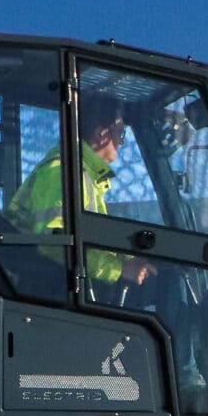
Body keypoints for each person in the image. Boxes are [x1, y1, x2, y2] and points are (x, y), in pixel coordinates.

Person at [12, 97, 143, 290]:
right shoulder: (63, 174)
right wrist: (119, 269)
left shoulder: (82, 175)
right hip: (52, 289)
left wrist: (129, 258)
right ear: (102, 134)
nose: (121, 143)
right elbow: (55, 243)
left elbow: (90, 237)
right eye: (120, 133)